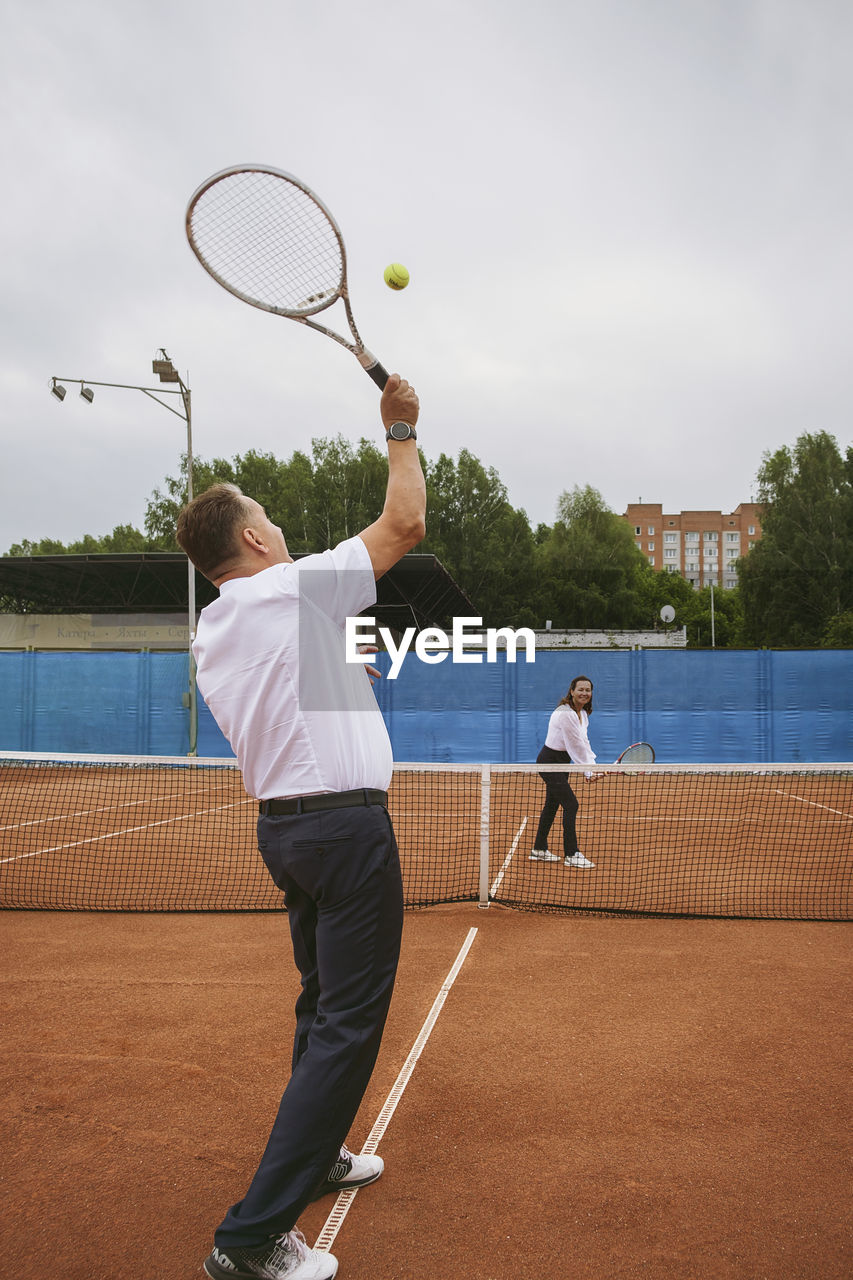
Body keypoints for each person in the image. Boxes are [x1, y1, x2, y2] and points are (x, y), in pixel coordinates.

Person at [176, 374, 425, 1280]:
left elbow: (306, 692)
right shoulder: (286, 593)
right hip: (345, 836)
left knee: (322, 1003)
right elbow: (404, 526)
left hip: (289, 831)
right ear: (251, 538)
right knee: (349, 1023)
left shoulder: (221, 625)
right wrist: (399, 426)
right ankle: (250, 1239)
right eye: (271, 519)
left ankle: (317, 1158)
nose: (280, 529)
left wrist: (342, 658)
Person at [530, 675, 601, 869]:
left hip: (562, 762)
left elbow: (583, 742)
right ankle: (571, 853)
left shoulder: (582, 714)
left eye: (588, 690)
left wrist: (592, 766)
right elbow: (574, 745)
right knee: (571, 804)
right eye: (580, 689)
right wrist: (588, 772)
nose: (584, 693)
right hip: (549, 762)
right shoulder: (566, 713)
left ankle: (539, 849)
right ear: (571, 691)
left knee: (552, 805)